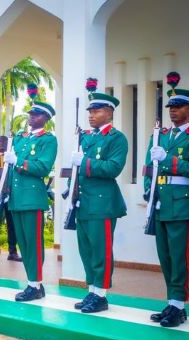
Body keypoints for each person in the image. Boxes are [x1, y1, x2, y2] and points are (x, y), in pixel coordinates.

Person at [145, 72, 189, 327]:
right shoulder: (159, 135)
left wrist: (170, 161)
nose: (172, 111)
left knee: (179, 256)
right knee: (165, 256)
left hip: (181, 202)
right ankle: (172, 302)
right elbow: (148, 168)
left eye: (178, 106)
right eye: (170, 106)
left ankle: (179, 306)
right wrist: (148, 189)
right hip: (160, 201)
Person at [69, 79, 128, 313]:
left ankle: (102, 295)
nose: (91, 115)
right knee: (87, 249)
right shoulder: (86, 137)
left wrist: (84, 162)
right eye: (90, 111)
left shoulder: (116, 138)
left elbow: (113, 168)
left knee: (101, 249)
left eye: (97, 110)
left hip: (103, 203)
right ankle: (92, 290)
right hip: (84, 202)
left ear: (109, 113)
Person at [6, 88, 57, 302]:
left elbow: (43, 167)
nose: (31, 117)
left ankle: (35, 285)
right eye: (30, 114)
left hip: (32, 198)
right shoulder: (20, 139)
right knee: (23, 244)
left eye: (36, 114)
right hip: (16, 197)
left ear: (45, 118)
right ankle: (32, 283)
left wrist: (18, 162)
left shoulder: (48, 140)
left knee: (34, 243)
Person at [0, 135, 21, 262]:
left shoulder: (13, 157)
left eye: (4, 142)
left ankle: (12, 252)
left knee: (12, 223)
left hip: (11, 194)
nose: (1, 144)